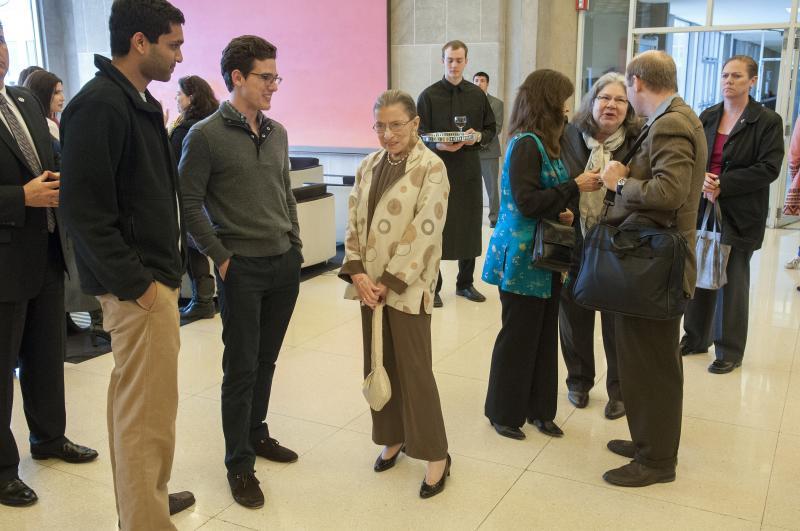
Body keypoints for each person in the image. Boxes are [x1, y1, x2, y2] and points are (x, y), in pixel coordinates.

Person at [59, 1, 195, 528]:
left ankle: (147, 503)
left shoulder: (132, 100)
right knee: (145, 420)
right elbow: (85, 213)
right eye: (173, 45)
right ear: (140, 42)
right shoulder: (100, 106)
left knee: (141, 413)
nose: (179, 56)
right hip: (139, 289)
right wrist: (138, 286)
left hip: (151, 281)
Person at [180, 35, 302, 509]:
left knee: (266, 360)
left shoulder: (278, 132)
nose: (273, 85)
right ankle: (239, 463)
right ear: (237, 77)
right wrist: (221, 256)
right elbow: (189, 206)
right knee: (241, 367)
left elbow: (284, 192)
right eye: (265, 77)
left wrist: (294, 241)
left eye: (276, 76)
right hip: (243, 268)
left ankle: (257, 433)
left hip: (283, 262)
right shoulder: (204, 135)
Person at [0, 19, 97, 509]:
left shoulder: (21, 100)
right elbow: (23, 186)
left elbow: (45, 160)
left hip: (46, 251)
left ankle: (50, 438)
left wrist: (55, 179)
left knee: (44, 357)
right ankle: (1, 469)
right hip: (4, 261)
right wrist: (21, 196)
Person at [600, 50, 706, 487]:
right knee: (647, 361)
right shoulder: (676, 117)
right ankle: (649, 440)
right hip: (652, 263)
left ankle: (657, 461)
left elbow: (669, 191)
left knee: (651, 364)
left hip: (656, 266)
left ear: (638, 82)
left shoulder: (672, 122)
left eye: (627, 87)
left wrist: (619, 182)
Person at [340, 89, 452, 499]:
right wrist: (358, 275)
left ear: (415, 124)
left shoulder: (432, 168)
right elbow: (353, 219)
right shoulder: (368, 165)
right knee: (378, 361)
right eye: (380, 126)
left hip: (406, 287)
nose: (387, 134)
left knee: (414, 369)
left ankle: (436, 452)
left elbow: (425, 230)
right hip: (370, 287)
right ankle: (394, 437)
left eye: (396, 125)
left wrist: (389, 279)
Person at [482, 69, 600, 441]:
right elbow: (526, 201)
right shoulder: (526, 144)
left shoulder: (546, 144)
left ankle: (539, 410)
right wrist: (573, 186)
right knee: (517, 336)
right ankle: (503, 412)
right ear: (548, 103)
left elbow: (541, 199)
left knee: (544, 334)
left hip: (544, 255)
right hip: (521, 257)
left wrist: (561, 208)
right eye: (563, 101)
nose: (568, 109)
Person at [680, 56, 783, 374]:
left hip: (739, 212)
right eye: (725, 75)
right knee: (698, 273)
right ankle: (696, 337)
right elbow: (692, 156)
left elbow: (769, 168)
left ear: (752, 81)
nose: (728, 80)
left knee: (731, 279)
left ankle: (729, 349)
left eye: (736, 76)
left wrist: (724, 183)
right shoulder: (708, 116)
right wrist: (702, 181)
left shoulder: (766, 120)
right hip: (701, 207)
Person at [559, 72, 641, 420]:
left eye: (619, 100)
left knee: (617, 319)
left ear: (629, 107)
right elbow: (555, 178)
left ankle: (619, 390)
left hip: (617, 239)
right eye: (604, 98)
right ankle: (579, 380)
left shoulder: (638, 140)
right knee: (573, 312)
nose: (611, 105)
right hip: (574, 235)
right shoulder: (568, 136)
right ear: (591, 103)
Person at [23, 69, 111, 345]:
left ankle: (81, 318)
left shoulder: (53, 124)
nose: (61, 97)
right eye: (56, 92)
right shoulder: (43, 126)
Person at [417, 40, 496, 307]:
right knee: (436, 226)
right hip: (437, 170)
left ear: (466, 61)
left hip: (468, 168)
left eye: (459, 60)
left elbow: (490, 130)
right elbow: (419, 134)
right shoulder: (427, 96)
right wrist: (435, 144)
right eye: (449, 60)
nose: (454, 65)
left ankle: (465, 283)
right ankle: (434, 285)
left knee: (470, 225)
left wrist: (477, 137)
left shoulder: (477, 95)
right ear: (442, 61)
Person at [169, 74, 219, 321]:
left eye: (179, 94)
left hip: (189, 200)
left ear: (191, 97)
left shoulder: (185, 130)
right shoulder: (217, 122)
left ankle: (203, 300)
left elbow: (172, 165)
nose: (176, 99)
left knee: (193, 249)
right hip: (214, 199)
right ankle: (206, 298)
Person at [472, 71, 504, 228]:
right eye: (476, 80)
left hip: (489, 152)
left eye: (482, 80)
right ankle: (474, 217)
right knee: (472, 186)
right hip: (470, 152)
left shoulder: (497, 103)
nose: (479, 83)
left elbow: (497, 127)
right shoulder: (467, 103)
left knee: (492, 187)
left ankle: (494, 217)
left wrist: (481, 142)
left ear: (487, 83)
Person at [22, 69, 65, 139]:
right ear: (42, 94)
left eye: (61, 92)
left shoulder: (52, 119)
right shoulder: (48, 125)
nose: (63, 98)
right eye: (56, 93)